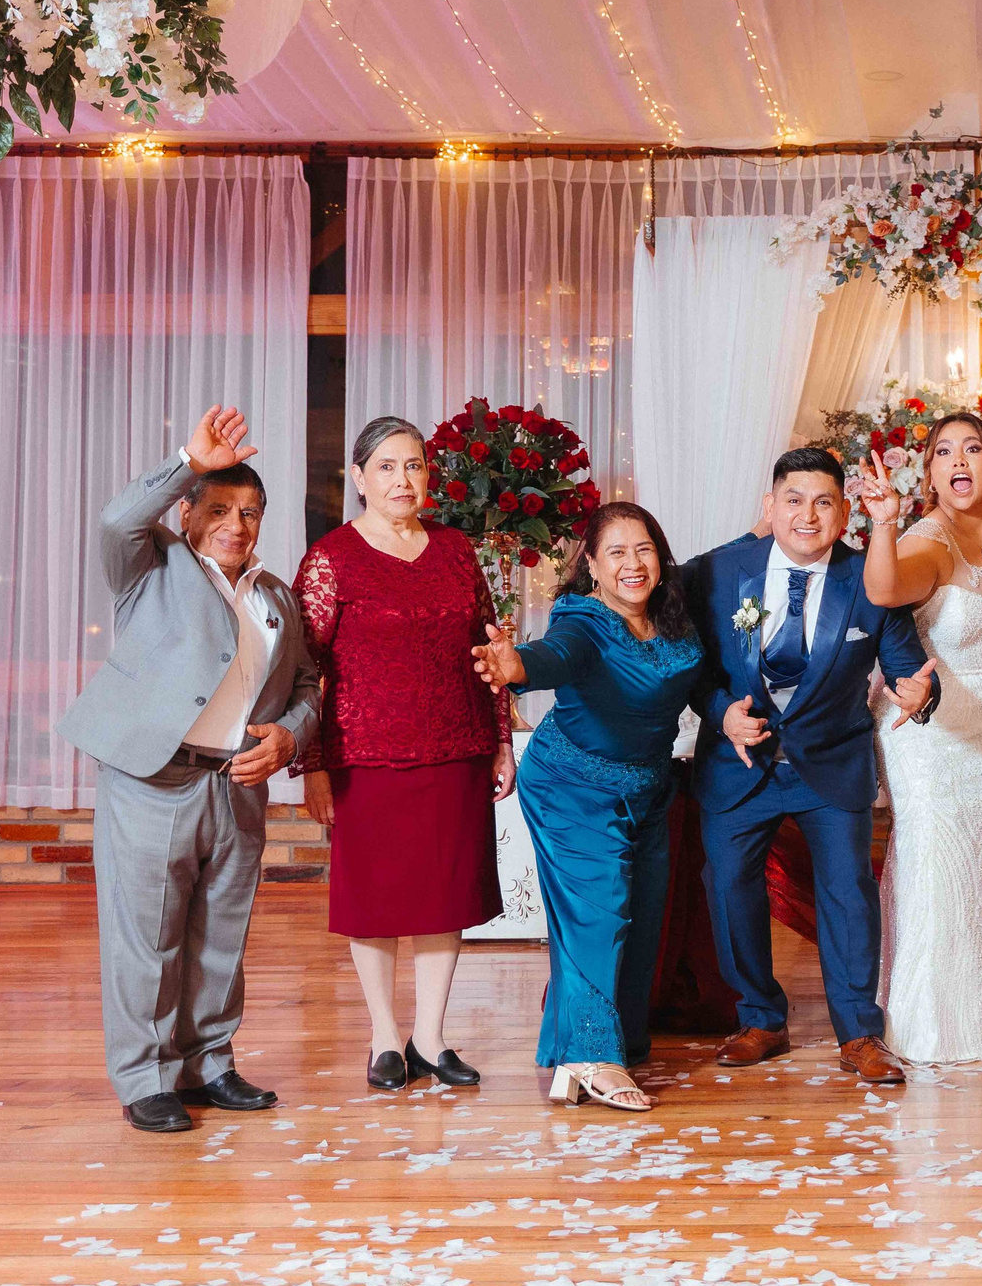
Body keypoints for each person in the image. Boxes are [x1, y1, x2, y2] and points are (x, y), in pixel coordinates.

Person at [59, 406, 321, 1133]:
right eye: (218, 507)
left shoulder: (276, 597)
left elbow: (305, 687)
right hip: (153, 778)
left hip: (235, 784)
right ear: (190, 510)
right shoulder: (152, 566)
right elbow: (116, 521)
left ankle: (209, 1061)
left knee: (220, 935)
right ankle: (146, 1076)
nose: (236, 523)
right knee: (147, 934)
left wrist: (290, 739)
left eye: (250, 511)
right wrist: (188, 459)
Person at [685, 447, 940, 1085]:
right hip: (738, 763)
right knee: (728, 886)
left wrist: (918, 691)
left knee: (848, 894)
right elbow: (683, 661)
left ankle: (859, 1032)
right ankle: (760, 1020)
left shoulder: (869, 578)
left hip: (832, 764)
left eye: (824, 502)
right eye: (793, 501)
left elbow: (908, 664)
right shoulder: (716, 572)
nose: (808, 515)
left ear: (844, 512)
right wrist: (720, 714)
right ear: (769, 508)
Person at [294, 417, 513, 1094]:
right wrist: (314, 765)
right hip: (366, 755)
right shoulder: (331, 559)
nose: (402, 479)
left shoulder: (454, 550)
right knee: (378, 901)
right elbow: (306, 669)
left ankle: (431, 1036)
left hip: (456, 745)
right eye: (386, 466)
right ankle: (385, 1036)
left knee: (444, 896)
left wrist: (502, 735)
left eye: (414, 465)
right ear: (358, 478)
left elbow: (490, 648)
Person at [470, 502, 708, 1111]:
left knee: (643, 915)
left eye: (645, 549)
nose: (634, 563)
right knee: (598, 913)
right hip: (572, 786)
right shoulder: (583, 619)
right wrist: (517, 664)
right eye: (618, 553)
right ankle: (590, 1057)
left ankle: (605, 1044)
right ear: (593, 567)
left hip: (648, 788)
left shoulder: (672, 615)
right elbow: (556, 656)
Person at [853, 414, 982, 1064]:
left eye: (973, 446)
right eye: (944, 450)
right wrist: (885, 521)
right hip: (931, 724)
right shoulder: (929, 538)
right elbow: (883, 588)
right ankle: (925, 1024)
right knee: (936, 858)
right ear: (930, 471)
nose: (959, 459)